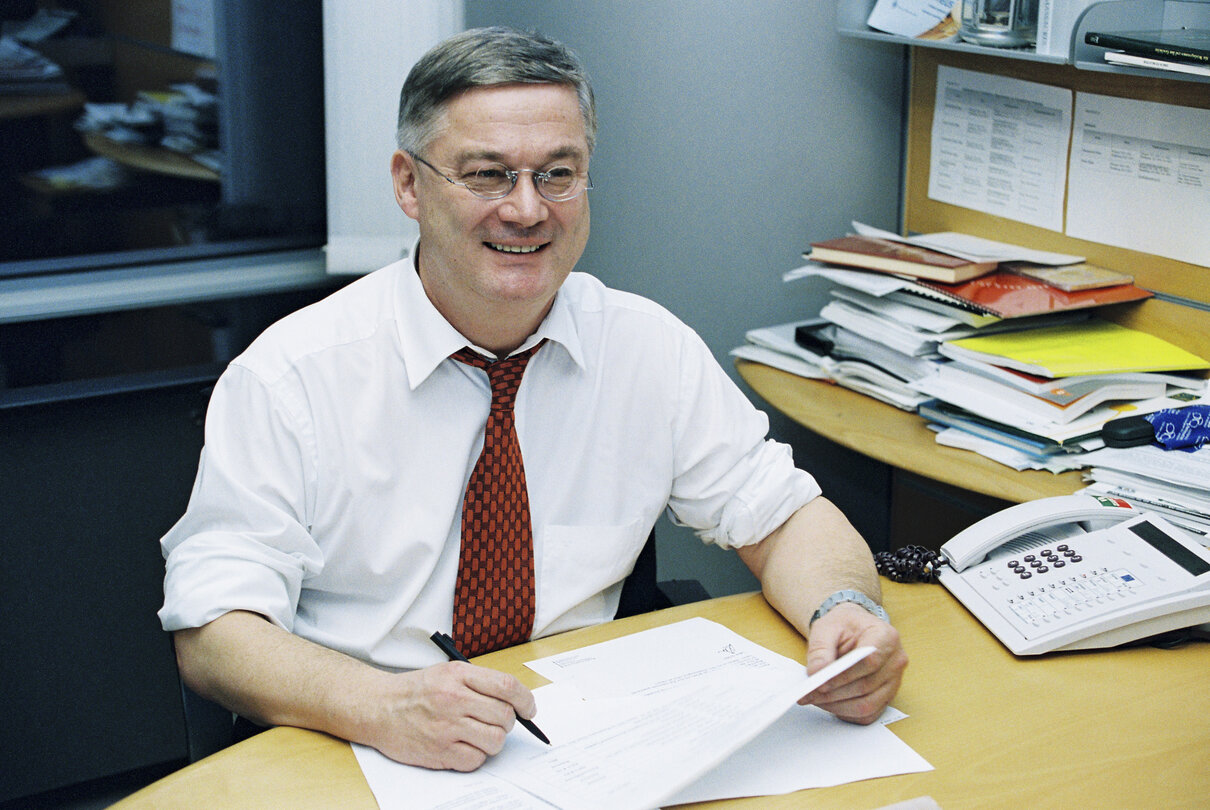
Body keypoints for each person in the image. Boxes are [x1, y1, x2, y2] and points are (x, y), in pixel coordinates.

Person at [159, 26, 907, 773]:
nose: (526, 210)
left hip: (593, 738)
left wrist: (845, 609)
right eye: (487, 175)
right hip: (361, 738)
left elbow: (785, 517)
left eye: (558, 173)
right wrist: (382, 705)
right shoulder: (290, 376)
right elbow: (215, 631)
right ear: (409, 184)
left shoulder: (646, 346)